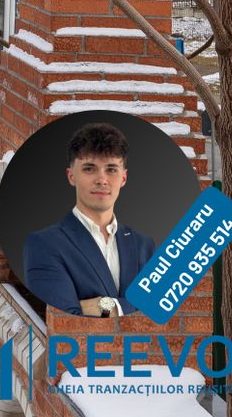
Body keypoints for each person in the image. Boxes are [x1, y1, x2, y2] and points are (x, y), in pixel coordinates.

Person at [23, 122, 156, 318]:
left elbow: (158, 311)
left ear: (124, 178)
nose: (101, 180)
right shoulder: (44, 245)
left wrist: (106, 307)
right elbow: (64, 319)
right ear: (71, 176)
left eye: (111, 169)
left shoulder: (143, 245)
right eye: (89, 169)